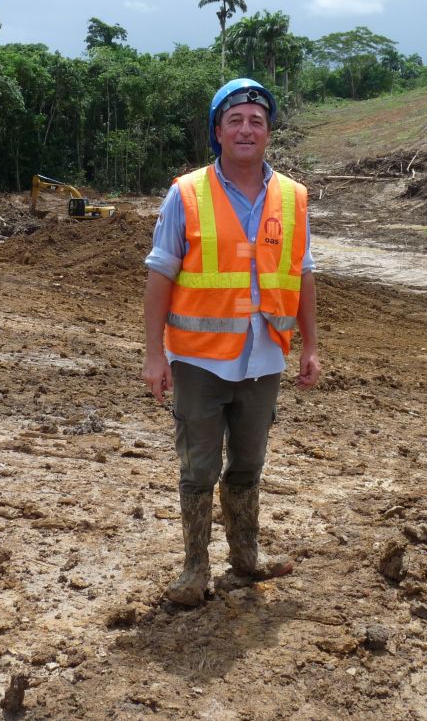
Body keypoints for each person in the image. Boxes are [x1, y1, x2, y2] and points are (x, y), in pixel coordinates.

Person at [142, 78, 321, 607]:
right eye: (235, 120)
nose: (247, 129)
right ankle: (194, 568)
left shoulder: (292, 198)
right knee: (198, 467)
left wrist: (310, 346)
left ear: (268, 132)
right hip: (199, 359)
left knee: (248, 464)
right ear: (217, 132)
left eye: (256, 121)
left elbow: (304, 273)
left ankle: (246, 559)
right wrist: (155, 355)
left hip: (264, 356)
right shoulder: (187, 193)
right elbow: (159, 274)